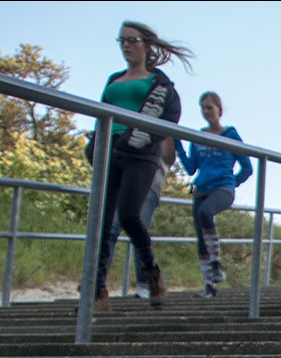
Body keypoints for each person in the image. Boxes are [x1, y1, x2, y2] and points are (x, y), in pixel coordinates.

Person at [90, 21, 191, 311]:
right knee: (102, 224)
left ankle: (152, 274)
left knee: (130, 215)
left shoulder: (159, 84)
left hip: (141, 152)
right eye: (121, 40)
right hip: (110, 152)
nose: (125, 45)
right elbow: (100, 115)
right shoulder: (114, 79)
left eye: (131, 40)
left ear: (147, 46)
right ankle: (96, 291)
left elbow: (169, 117)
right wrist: (94, 146)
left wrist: (152, 142)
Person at [175, 91, 253, 298]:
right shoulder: (199, 137)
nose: (206, 111)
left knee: (205, 213)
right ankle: (209, 286)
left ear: (219, 109)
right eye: (203, 108)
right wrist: (178, 146)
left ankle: (216, 264)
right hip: (200, 189)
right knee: (201, 237)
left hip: (223, 189)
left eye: (210, 107)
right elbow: (192, 168)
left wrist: (230, 182)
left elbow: (247, 167)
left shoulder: (231, 135)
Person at [107, 138, 175, 299]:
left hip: (149, 185)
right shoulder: (130, 131)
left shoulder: (161, 131)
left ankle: (146, 283)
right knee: (110, 229)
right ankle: (97, 282)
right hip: (124, 183)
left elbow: (169, 157)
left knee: (137, 229)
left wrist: (166, 131)